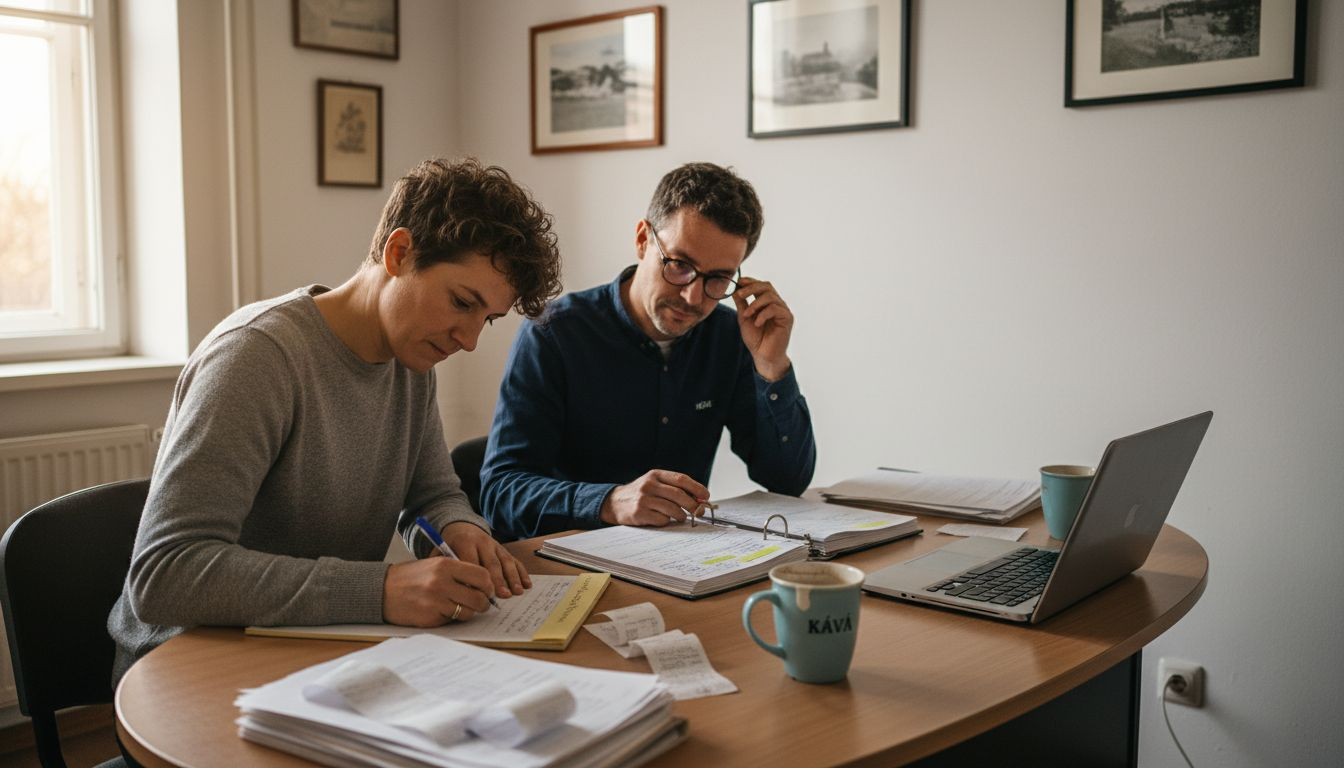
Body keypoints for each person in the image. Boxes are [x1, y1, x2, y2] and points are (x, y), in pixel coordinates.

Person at [108, 158, 563, 684]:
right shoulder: (258, 357)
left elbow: (432, 495)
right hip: (189, 665)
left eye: (487, 319)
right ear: (398, 253)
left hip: (313, 649)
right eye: (462, 302)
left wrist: (458, 528)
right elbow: (166, 574)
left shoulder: (411, 360)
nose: (469, 339)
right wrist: (380, 590)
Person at [480, 162, 816, 541]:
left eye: (718, 278)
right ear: (643, 240)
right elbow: (501, 493)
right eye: (680, 265)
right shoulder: (554, 333)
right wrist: (608, 502)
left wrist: (772, 365)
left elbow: (787, 481)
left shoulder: (729, 336)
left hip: (684, 561)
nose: (692, 296)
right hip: (571, 558)